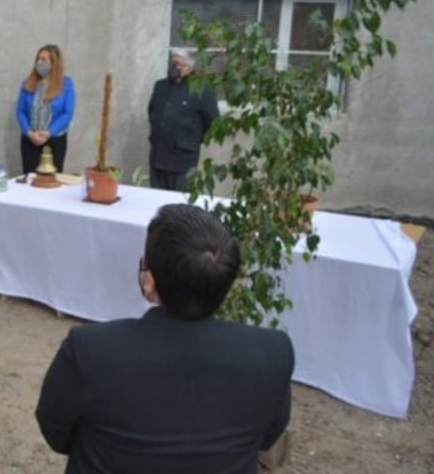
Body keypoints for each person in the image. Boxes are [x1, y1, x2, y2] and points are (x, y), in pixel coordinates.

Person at [36, 203, 294, 473]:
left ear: (149, 282)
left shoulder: (89, 350)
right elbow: (266, 435)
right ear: (227, 285)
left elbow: (55, 430)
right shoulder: (272, 353)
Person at [147, 48, 219, 191]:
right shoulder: (160, 86)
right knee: (156, 200)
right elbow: (152, 112)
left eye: (178, 64)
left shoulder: (202, 90)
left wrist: (191, 139)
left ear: (189, 67)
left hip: (183, 160)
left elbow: (213, 122)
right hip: (158, 156)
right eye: (172, 63)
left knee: (180, 204)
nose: (173, 68)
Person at [16, 44, 76, 174]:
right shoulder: (28, 83)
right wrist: (29, 133)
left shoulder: (66, 84)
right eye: (38, 59)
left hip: (55, 141)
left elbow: (68, 113)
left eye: (43, 59)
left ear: (54, 63)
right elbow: (20, 111)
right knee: (30, 181)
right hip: (30, 140)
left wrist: (49, 132)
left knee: (52, 182)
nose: (39, 62)